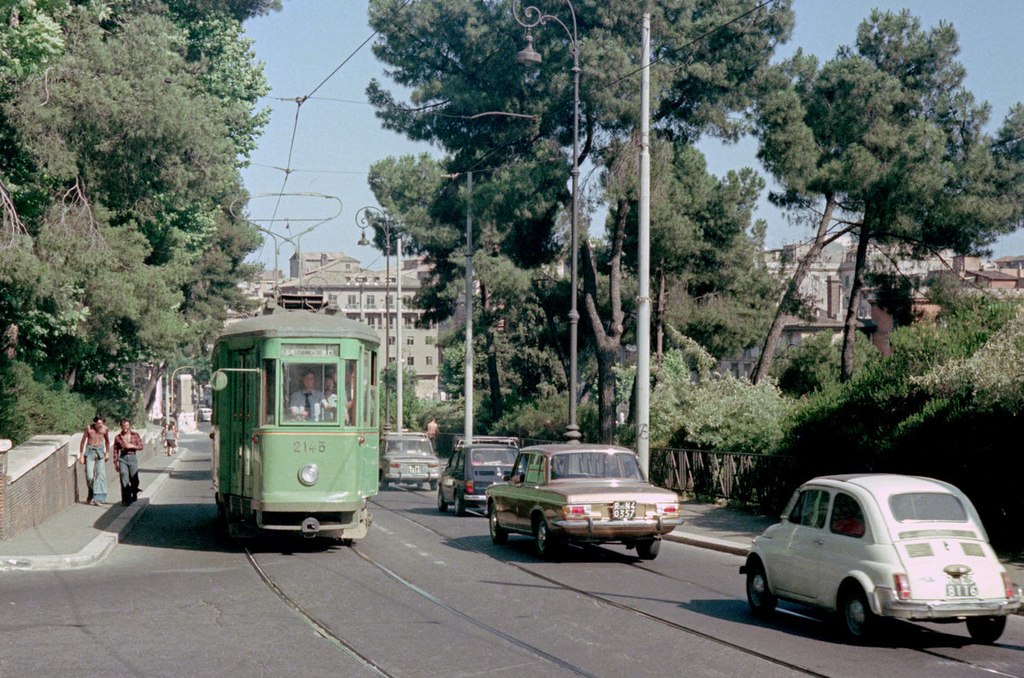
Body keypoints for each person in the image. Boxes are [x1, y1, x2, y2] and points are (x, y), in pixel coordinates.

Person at [78, 415, 110, 506]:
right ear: (95, 422)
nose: (100, 425)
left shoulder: (105, 429)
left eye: (101, 423)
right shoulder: (89, 428)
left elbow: (107, 441)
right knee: (89, 476)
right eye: (98, 423)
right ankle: (91, 493)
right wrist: (81, 455)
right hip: (90, 452)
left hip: (100, 452)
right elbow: (83, 441)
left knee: (100, 475)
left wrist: (107, 453)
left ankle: (98, 498)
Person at [113, 417, 144, 506]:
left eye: (127, 425)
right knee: (123, 476)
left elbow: (141, 446)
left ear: (129, 425)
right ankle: (126, 499)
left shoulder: (135, 435)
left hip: (132, 457)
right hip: (122, 458)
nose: (125, 427)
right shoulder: (118, 437)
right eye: (123, 426)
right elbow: (115, 450)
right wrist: (115, 462)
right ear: (121, 426)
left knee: (135, 479)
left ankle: (134, 492)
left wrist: (132, 446)